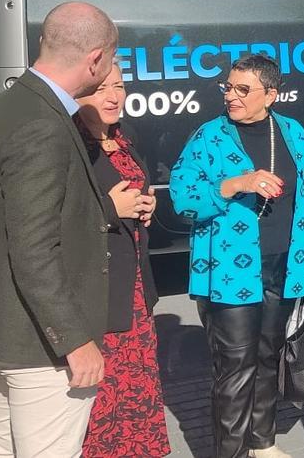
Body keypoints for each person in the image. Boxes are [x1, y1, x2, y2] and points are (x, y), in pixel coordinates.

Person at [169, 55, 304, 458]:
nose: (231, 96)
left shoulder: (291, 132)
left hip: (284, 266)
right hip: (228, 273)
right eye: (228, 87)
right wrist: (234, 184)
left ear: (270, 95)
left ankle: (263, 443)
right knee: (235, 371)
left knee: (269, 356)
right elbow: (181, 197)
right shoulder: (208, 136)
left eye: (243, 89)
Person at [0, 2, 118, 458]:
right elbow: (34, 248)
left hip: (5, 335)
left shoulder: (7, 105)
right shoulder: (44, 124)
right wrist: (75, 339)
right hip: (40, 348)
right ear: (96, 59)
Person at [75, 64, 170, 457]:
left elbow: (136, 186)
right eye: (100, 89)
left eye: (119, 86)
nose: (114, 96)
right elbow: (52, 216)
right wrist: (110, 208)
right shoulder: (70, 143)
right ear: (76, 93)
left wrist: (145, 205)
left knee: (137, 397)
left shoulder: (125, 136)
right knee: (103, 407)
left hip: (134, 291)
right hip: (97, 296)